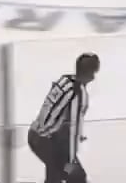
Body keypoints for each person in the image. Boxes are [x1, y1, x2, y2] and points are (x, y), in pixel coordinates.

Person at [29, 52, 99, 183]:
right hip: (46, 141)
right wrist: (71, 161)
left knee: (55, 173)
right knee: (75, 175)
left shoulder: (64, 80)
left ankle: (59, 174)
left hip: (35, 136)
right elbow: (72, 129)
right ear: (90, 75)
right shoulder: (78, 94)